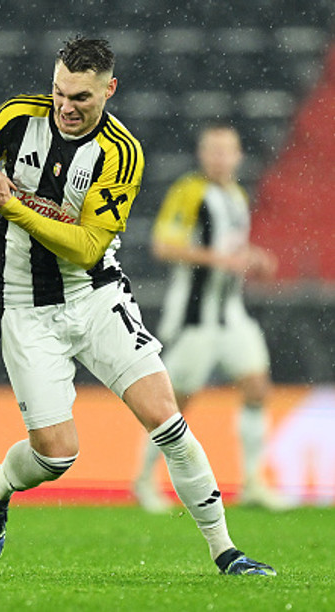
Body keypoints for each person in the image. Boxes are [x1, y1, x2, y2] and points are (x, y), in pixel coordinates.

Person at [0, 37, 275, 576]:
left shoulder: (121, 152)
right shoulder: (18, 116)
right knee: (55, 455)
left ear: (109, 90)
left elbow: (88, 247)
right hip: (24, 303)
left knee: (167, 418)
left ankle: (226, 551)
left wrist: (11, 204)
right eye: (59, 92)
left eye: (81, 98)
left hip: (95, 294)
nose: (65, 107)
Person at [132, 123, 282, 513]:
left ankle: (253, 482)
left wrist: (252, 257)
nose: (219, 158)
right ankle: (143, 479)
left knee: (256, 387)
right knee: (171, 405)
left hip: (231, 314)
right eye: (212, 150)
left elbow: (231, 248)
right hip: (194, 316)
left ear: (238, 156)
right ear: (202, 154)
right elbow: (164, 246)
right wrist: (219, 259)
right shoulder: (189, 191)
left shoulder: (236, 195)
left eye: (225, 150)